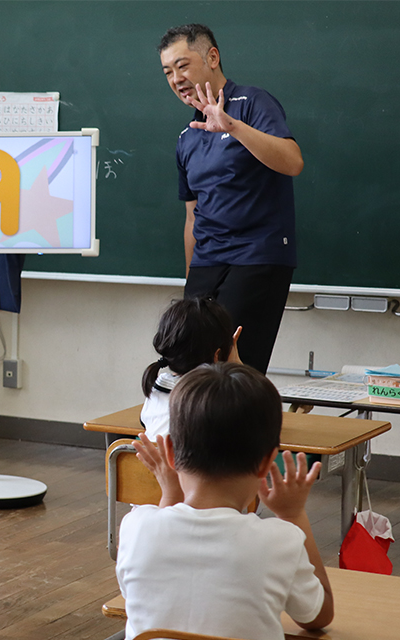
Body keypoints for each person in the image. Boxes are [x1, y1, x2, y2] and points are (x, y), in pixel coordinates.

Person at [118, 363, 333, 640]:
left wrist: (170, 494)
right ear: (268, 462)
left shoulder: (135, 527)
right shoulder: (281, 541)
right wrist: (294, 515)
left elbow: (153, 593)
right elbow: (319, 616)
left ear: (170, 452)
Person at [158, 24, 303, 375]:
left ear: (212, 57)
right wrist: (191, 279)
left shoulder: (252, 103)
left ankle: (241, 432)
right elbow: (192, 216)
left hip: (256, 256)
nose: (176, 78)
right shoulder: (187, 137)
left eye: (182, 65)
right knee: (184, 366)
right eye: (167, 72)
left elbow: (293, 161)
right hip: (208, 262)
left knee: (232, 371)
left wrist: (232, 127)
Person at [140, 297, 239, 439]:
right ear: (217, 354)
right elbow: (262, 419)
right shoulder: (216, 395)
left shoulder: (159, 385)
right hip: (184, 461)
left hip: (146, 461)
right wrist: (236, 367)